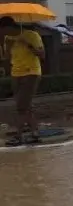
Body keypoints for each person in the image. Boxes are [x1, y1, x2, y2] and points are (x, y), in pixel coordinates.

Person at [1, 17, 45, 145]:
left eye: (2, 30)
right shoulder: (8, 39)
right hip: (16, 74)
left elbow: (42, 55)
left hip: (31, 72)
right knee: (26, 106)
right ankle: (35, 134)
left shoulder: (31, 35)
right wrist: (7, 48)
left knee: (21, 107)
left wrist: (27, 43)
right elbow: (8, 58)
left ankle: (19, 136)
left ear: (8, 27)